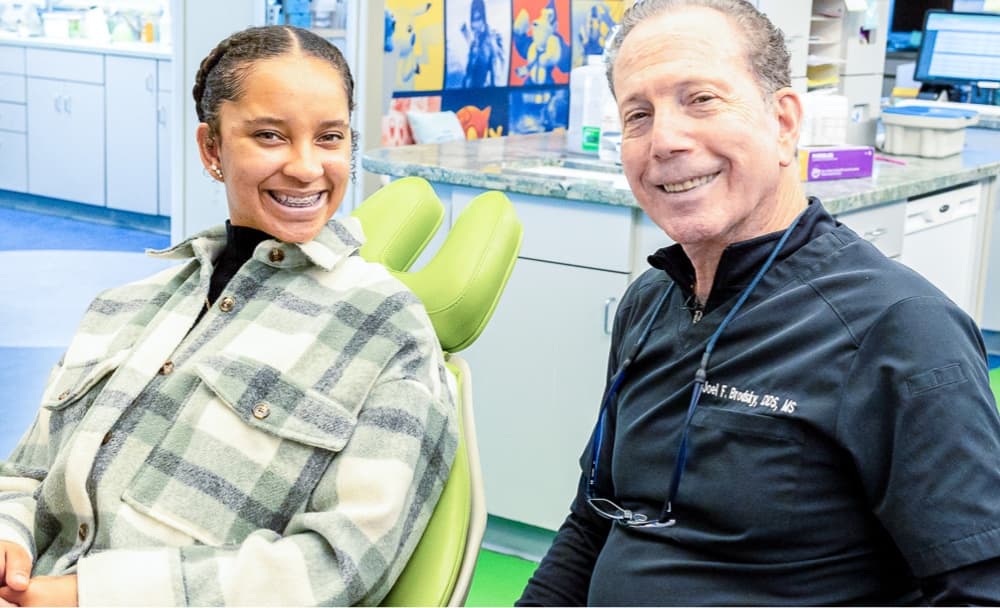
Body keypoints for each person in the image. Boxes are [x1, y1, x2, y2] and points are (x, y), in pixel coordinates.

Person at [518, 0, 1000, 604]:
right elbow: (594, 522)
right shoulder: (650, 304)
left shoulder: (896, 330)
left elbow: (978, 591)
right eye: (637, 114)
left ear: (784, 122)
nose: (664, 139)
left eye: (701, 99)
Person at [0, 25, 457, 607]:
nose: (306, 167)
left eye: (330, 137)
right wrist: (8, 534)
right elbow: (24, 474)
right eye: (270, 136)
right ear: (212, 148)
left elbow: (341, 563)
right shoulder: (125, 306)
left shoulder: (388, 330)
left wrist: (85, 596)